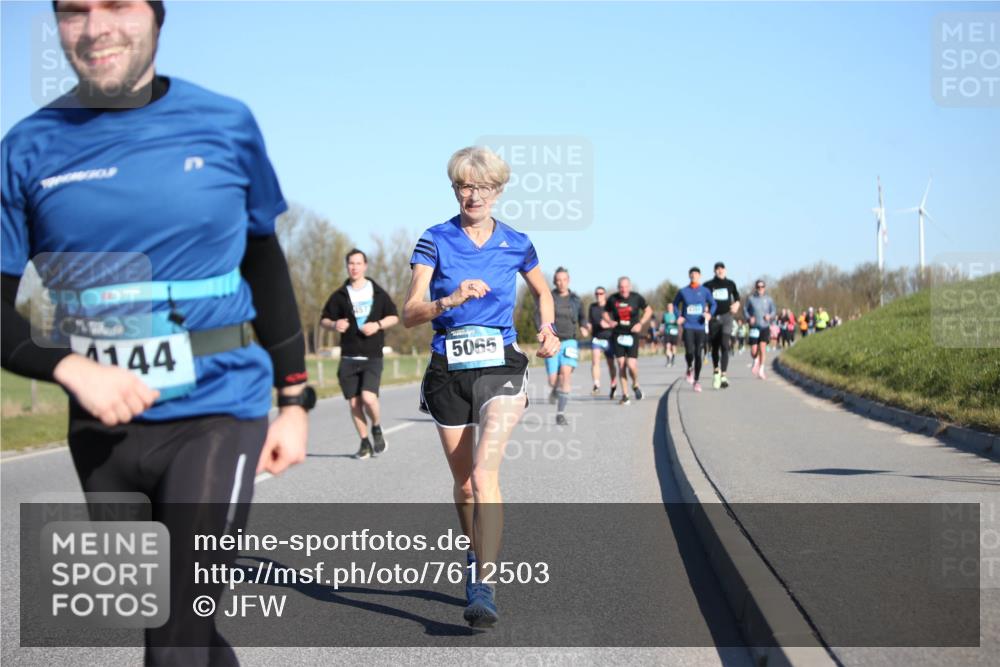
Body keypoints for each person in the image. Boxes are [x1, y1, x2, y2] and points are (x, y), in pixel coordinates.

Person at [1, 2, 311, 664]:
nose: (96, 27)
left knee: (174, 641)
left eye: (117, 5)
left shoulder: (226, 123)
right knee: (166, 626)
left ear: (156, 17)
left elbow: (264, 259)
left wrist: (295, 399)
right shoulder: (26, 148)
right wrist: (68, 366)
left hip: (218, 410)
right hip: (101, 431)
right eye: (74, 11)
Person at [402, 146, 559, 628]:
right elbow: (410, 313)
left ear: (498, 191)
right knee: (465, 485)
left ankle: (483, 584)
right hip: (449, 368)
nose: (474, 195)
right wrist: (447, 299)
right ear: (455, 189)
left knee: (485, 473)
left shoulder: (517, 242)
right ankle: (475, 556)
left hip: (501, 367)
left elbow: (542, 291)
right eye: (465, 186)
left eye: (484, 187)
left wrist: (548, 329)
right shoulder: (434, 240)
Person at [320, 249, 399, 458]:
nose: (354, 267)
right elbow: (324, 320)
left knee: (368, 398)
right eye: (350, 264)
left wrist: (378, 324)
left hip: (372, 356)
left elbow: (394, 317)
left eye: (358, 263)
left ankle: (377, 427)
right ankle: (364, 443)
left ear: (365, 266)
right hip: (348, 357)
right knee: (354, 403)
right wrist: (334, 324)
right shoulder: (340, 295)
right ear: (347, 266)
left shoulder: (378, 292)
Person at [541, 267, 588, 426]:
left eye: (564, 279)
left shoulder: (575, 299)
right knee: (553, 379)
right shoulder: (548, 297)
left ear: (568, 280)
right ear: (555, 281)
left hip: (570, 341)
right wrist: (541, 331)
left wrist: (584, 326)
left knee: (566, 374)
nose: (561, 283)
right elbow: (538, 315)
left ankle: (560, 413)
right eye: (558, 280)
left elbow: (582, 317)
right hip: (552, 340)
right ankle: (555, 389)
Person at [601, 276, 652, 404]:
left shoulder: (636, 297)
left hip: (632, 334)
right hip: (618, 334)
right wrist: (609, 321)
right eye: (621, 287)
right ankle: (625, 395)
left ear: (630, 287)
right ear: (618, 288)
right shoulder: (613, 299)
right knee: (621, 365)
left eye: (626, 287)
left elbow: (649, 310)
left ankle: (635, 384)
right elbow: (605, 313)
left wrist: (641, 323)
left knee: (631, 365)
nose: (623, 290)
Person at [673, 267, 716, 393]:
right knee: (689, 351)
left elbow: (714, 304)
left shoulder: (705, 291)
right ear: (689, 276)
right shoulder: (683, 291)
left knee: (698, 354)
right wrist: (678, 316)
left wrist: (710, 315)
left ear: (700, 276)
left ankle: (697, 381)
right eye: (691, 275)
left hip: (700, 326)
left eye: (696, 274)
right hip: (688, 325)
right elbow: (675, 304)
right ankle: (689, 367)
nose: (694, 276)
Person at [703, 261, 740, 390]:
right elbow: (702, 299)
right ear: (714, 271)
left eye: (722, 268)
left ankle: (724, 375)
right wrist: (705, 310)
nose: (720, 271)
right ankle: (716, 371)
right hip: (714, 319)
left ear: (725, 270)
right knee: (715, 346)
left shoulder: (730, 284)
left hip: (727, 317)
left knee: (725, 344)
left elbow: (737, 297)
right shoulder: (708, 285)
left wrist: (736, 305)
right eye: (717, 269)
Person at [745, 280, 776, 379]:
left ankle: (761, 370)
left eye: (762, 287)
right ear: (756, 288)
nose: (760, 289)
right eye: (758, 287)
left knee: (762, 347)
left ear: (764, 288)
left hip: (764, 326)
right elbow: (745, 310)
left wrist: (769, 316)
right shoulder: (751, 299)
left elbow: (774, 310)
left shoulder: (769, 299)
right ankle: (756, 359)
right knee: (754, 351)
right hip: (754, 327)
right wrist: (749, 318)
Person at [588, 286, 616, 396]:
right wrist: (587, 327)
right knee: (595, 361)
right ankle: (596, 385)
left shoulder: (610, 308)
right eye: (597, 294)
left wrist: (608, 325)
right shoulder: (592, 307)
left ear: (605, 295)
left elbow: (615, 323)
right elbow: (590, 321)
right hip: (597, 338)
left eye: (601, 293)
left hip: (609, 338)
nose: (599, 295)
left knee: (610, 364)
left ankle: (613, 383)